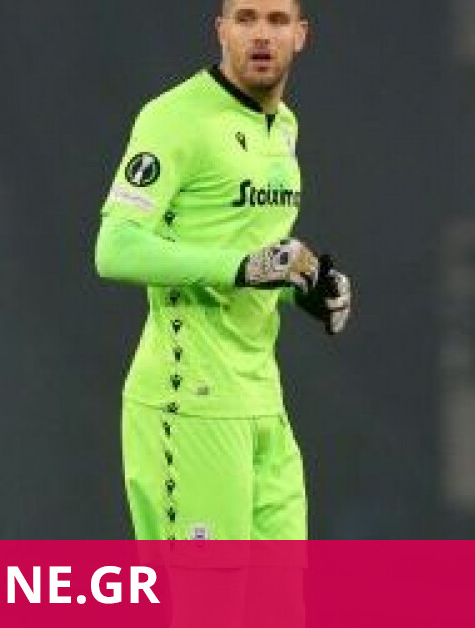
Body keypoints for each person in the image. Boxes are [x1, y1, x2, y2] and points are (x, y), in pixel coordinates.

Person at [95, 0, 350, 548]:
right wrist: (240, 268)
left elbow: (255, 256)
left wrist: (305, 288)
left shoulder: (283, 126)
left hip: (263, 405)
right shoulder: (175, 118)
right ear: (221, 30)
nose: (261, 35)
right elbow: (115, 248)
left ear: (301, 35)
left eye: (277, 21)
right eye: (246, 18)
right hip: (191, 403)